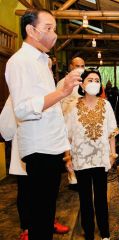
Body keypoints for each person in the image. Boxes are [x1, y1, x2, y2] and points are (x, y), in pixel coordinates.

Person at [5, 8, 81, 240]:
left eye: (55, 29)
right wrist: (62, 91)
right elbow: (23, 108)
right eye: (48, 28)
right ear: (31, 30)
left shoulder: (41, 62)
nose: (53, 35)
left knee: (47, 212)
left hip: (50, 145)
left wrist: (64, 148)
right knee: (39, 216)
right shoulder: (20, 62)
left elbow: (52, 110)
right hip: (38, 148)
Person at [0, 98, 70, 240]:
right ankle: (27, 227)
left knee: (48, 193)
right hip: (26, 150)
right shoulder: (16, 92)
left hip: (49, 151)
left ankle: (49, 222)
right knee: (27, 191)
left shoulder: (50, 90)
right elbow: (5, 127)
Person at [65, 68, 119, 240]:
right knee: (85, 199)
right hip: (80, 159)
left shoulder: (106, 104)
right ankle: (88, 233)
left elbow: (111, 132)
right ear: (82, 83)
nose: (94, 83)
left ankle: (105, 234)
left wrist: (113, 154)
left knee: (101, 199)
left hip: (101, 158)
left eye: (97, 80)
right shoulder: (73, 106)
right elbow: (66, 134)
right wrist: (67, 157)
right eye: (90, 80)